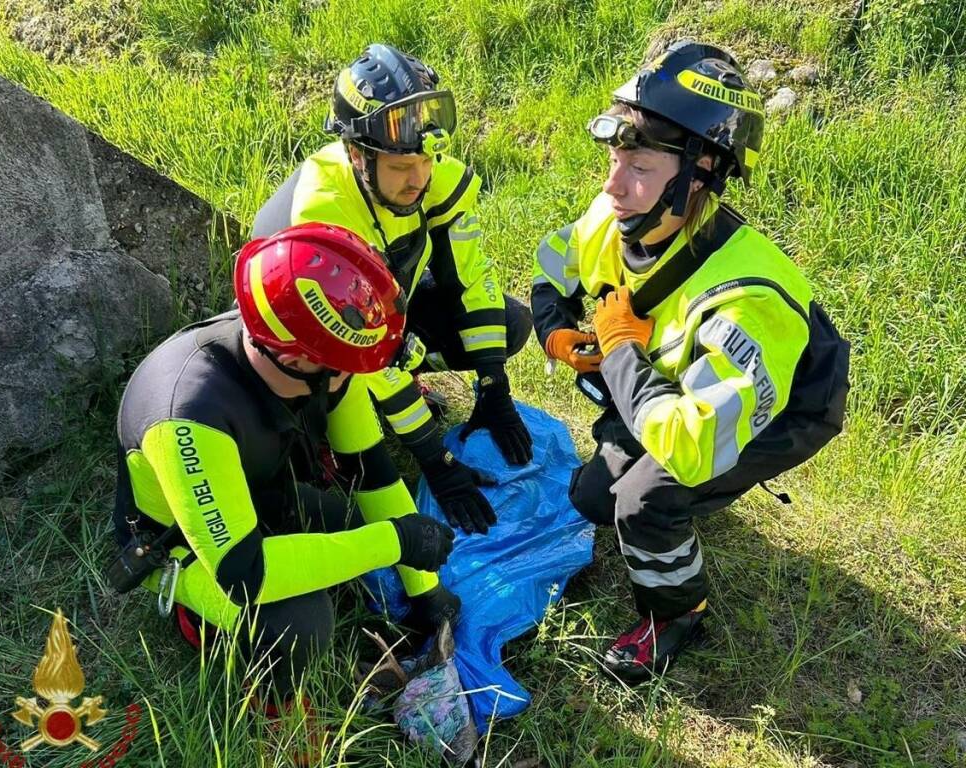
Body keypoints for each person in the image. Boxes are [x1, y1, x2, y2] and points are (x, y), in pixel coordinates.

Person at [530, 41, 849, 683]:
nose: (613, 185)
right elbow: (551, 270)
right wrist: (557, 335)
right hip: (677, 388)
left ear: (701, 171)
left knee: (642, 504)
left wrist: (619, 349)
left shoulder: (748, 298)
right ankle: (656, 504)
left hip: (782, 406)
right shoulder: (618, 217)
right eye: (615, 159)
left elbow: (690, 442)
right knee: (596, 496)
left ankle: (676, 615)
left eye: (639, 168)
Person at [110, 223, 460, 711]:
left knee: (350, 524)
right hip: (184, 547)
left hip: (258, 494)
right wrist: (395, 541)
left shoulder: (320, 359)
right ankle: (231, 658)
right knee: (300, 624)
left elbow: (374, 473)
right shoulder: (189, 415)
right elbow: (245, 573)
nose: (355, 378)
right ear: (298, 359)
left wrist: (426, 588)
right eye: (349, 368)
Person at [252, 43, 534, 537]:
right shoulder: (323, 214)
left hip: (380, 310)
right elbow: (365, 351)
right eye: (402, 167)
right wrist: (436, 459)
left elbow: (472, 273)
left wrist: (493, 383)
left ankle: (415, 384)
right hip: (315, 347)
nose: (419, 180)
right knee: (324, 446)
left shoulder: (424, 170)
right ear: (357, 154)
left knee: (508, 325)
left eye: (425, 161)